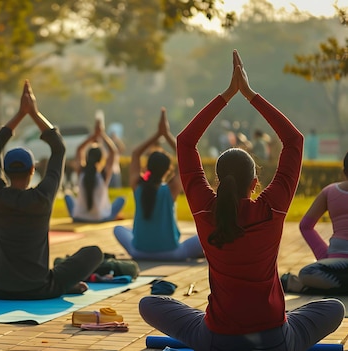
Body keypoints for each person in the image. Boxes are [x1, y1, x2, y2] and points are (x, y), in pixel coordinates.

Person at [139, 50, 344, 350]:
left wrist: (226, 95)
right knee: (334, 308)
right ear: (255, 182)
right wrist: (249, 94)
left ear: (218, 182)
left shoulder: (205, 209)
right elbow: (293, 141)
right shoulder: (271, 207)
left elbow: (185, 142)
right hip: (275, 339)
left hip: (216, 339)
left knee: (148, 304)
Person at [0, 80, 103, 300]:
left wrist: (19, 115)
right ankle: (65, 284)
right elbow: (59, 148)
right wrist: (34, 113)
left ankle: (62, 283)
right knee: (94, 253)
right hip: (40, 289)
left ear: (5, 171)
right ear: (32, 170)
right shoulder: (43, 197)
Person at [113, 108, 204, 261]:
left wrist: (157, 134)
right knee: (205, 235)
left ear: (147, 167)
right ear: (168, 170)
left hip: (139, 252)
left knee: (118, 229)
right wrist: (166, 134)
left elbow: (135, 153)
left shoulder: (138, 186)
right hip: (172, 254)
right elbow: (185, 155)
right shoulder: (171, 189)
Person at [281, 151, 348, 294]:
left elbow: (306, 226)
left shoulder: (329, 191)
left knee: (308, 272)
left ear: (344, 171)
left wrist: (323, 256)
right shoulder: (329, 192)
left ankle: (309, 287)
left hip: (333, 264)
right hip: (336, 264)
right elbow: (305, 226)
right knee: (308, 271)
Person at [64, 120, 125, 223]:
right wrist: (102, 134)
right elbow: (113, 151)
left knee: (67, 196)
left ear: (87, 157)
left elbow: (79, 149)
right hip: (99, 218)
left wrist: (93, 136)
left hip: (78, 217)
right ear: (101, 159)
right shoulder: (103, 175)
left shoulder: (81, 172)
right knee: (121, 199)